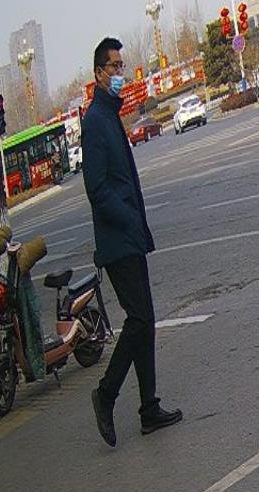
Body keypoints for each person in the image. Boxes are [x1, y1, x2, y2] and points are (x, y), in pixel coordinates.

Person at [82, 38, 182, 447]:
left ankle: (148, 408)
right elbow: (96, 187)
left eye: (122, 66)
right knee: (138, 319)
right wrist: (126, 219)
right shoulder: (95, 121)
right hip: (117, 240)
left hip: (130, 236)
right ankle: (106, 394)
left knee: (146, 320)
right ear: (98, 73)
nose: (120, 73)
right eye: (114, 67)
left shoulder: (110, 115)